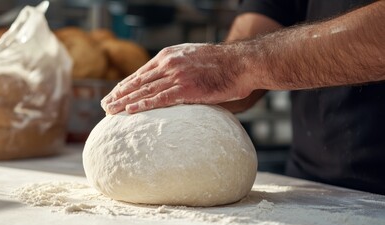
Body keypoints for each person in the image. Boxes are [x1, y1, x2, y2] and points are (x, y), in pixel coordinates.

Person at [101, 0, 385, 195]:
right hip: (311, 190)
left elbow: (240, 65)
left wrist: (239, 65)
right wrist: (189, 87)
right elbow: (261, 23)